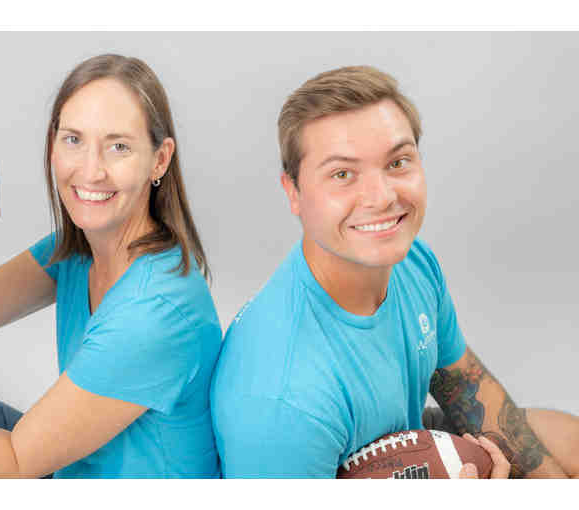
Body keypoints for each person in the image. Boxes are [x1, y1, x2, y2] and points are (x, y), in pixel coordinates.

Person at [210, 65, 579, 478]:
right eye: (342, 174)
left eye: (397, 162)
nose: (382, 197)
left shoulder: (413, 263)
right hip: (313, 465)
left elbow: (469, 392)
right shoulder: (282, 400)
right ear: (293, 192)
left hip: (390, 441)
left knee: (567, 438)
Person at [0, 54, 222, 478]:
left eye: (119, 146)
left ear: (159, 160)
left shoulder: (154, 313)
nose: (90, 171)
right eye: (73, 139)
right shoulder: (78, 251)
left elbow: (15, 464)